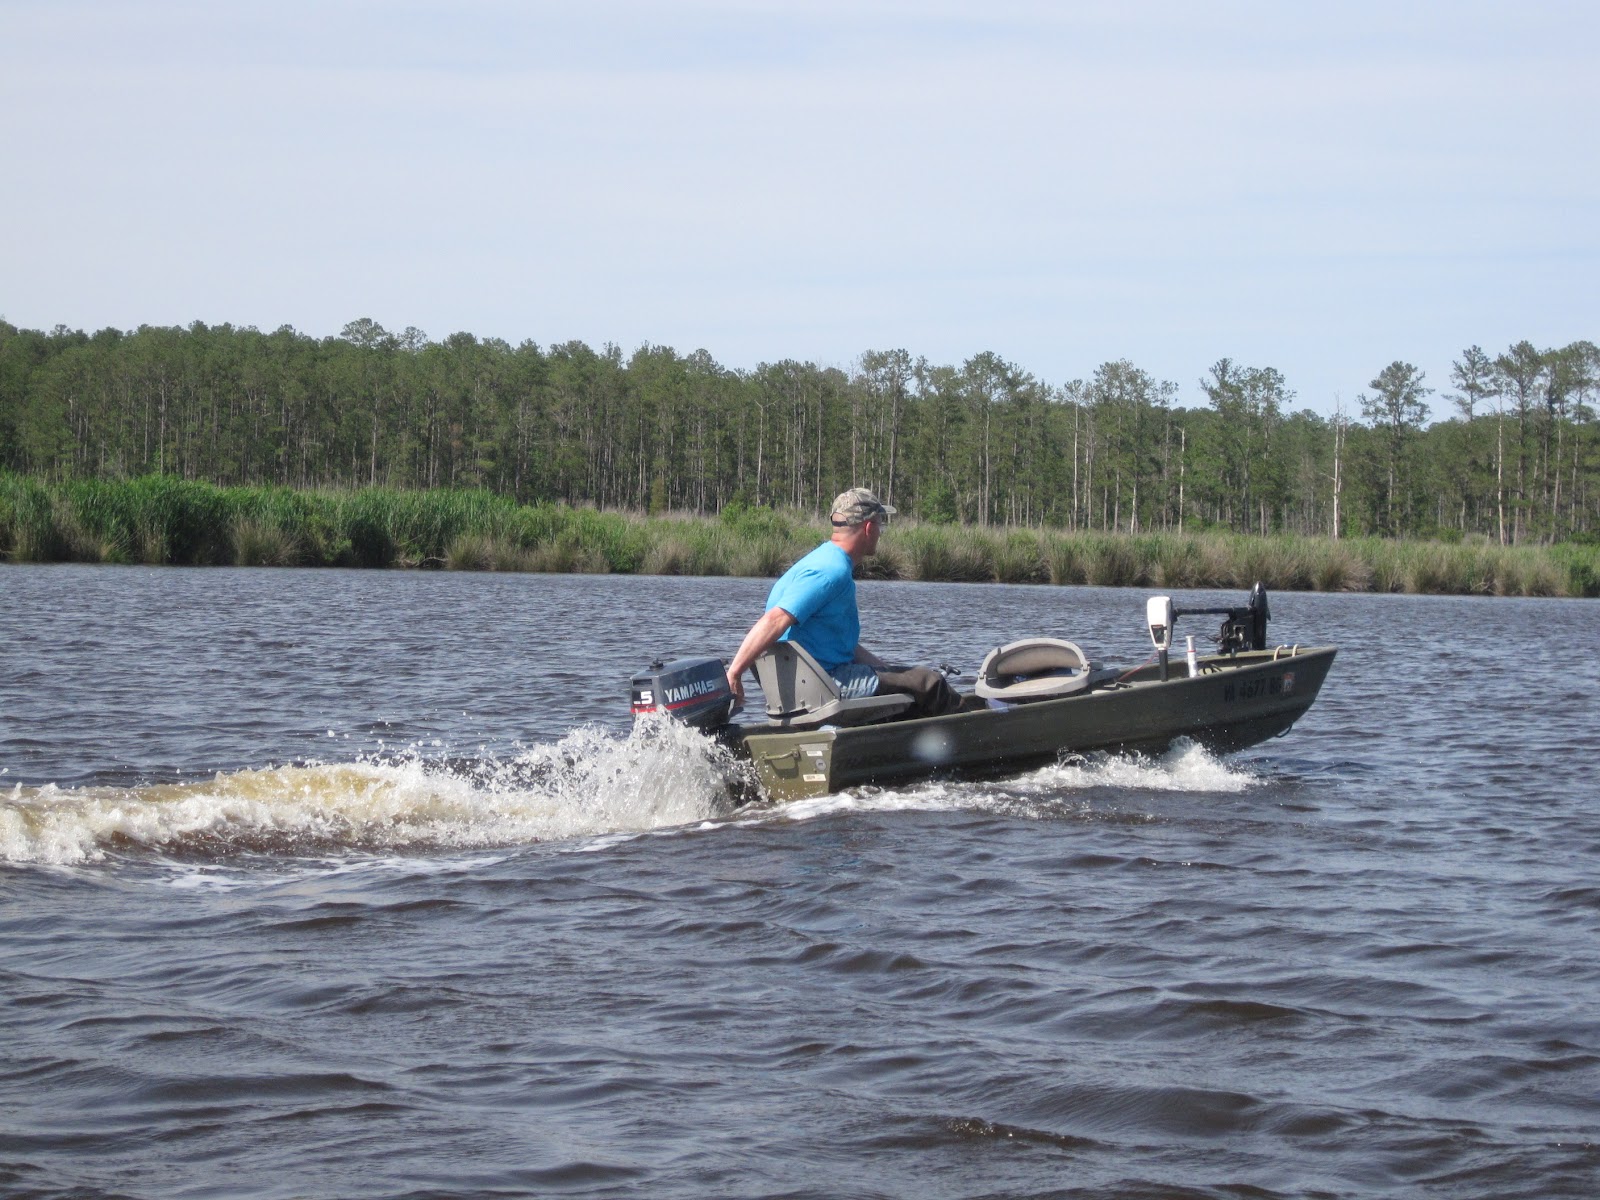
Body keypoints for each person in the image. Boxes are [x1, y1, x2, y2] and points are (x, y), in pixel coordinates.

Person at [725, 487, 963, 718]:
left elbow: (845, 646)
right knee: (930, 682)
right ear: (869, 528)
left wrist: (887, 671)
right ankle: (976, 740)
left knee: (910, 682)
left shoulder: (819, 561)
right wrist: (735, 673)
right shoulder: (831, 571)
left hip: (811, 683)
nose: (881, 532)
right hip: (830, 683)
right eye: (880, 525)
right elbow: (774, 620)